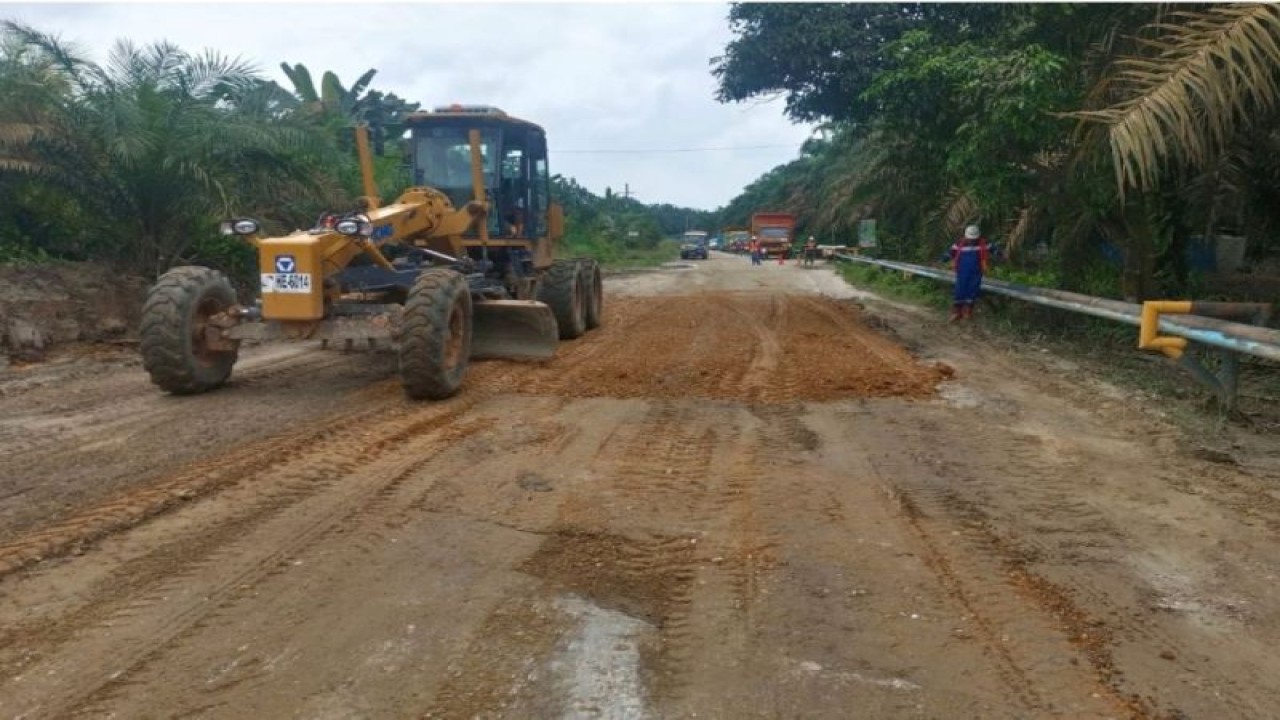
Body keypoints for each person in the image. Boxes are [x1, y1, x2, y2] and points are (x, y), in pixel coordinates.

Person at [949, 225, 990, 321]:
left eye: (974, 239)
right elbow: (951, 252)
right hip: (962, 272)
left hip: (976, 272)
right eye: (970, 239)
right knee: (959, 290)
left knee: (972, 291)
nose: (972, 241)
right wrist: (943, 258)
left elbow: (993, 249)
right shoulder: (959, 244)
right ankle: (957, 312)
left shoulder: (983, 243)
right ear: (966, 236)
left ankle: (968, 312)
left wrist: (1001, 254)